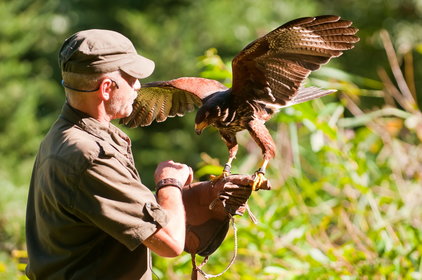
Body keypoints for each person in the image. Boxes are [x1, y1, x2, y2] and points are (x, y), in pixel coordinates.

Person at [25, 29, 257, 280]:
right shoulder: (90, 155)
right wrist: (169, 183)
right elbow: (170, 243)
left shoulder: (63, 135)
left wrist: (205, 194)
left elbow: (108, 212)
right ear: (106, 88)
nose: (138, 86)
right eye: (132, 77)